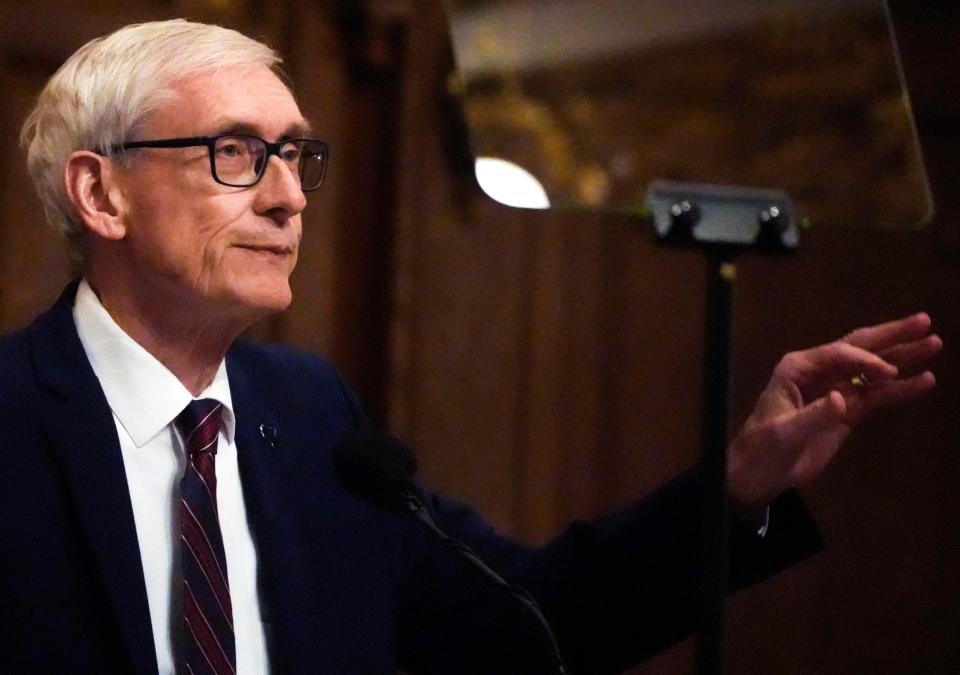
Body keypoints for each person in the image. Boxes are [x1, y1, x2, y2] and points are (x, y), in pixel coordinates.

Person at [2, 18, 940, 675]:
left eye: (297, 155)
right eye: (237, 153)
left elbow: (522, 620)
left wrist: (740, 485)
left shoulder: (308, 412)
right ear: (102, 193)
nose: (288, 197)